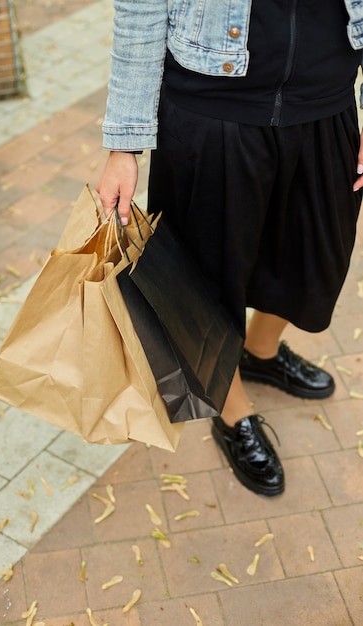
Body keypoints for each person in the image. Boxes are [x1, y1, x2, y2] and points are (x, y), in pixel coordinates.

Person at [97, 1, 363, 497]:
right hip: (211, 109)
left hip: (326, 103)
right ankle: (232, 408)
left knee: (313, 262)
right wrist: (124, 144)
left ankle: (260, 353)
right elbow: (141, 7)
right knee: (205, 283)